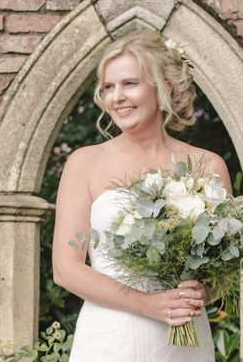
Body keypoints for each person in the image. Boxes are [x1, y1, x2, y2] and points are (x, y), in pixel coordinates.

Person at [52, 29, 232, 361]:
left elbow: (223, 270)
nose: (116, 96)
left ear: (165, 86)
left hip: (184, 341)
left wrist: (201, 292)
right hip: (111, 336)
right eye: (108, 87)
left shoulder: (208, 166)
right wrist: (146, 304)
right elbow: (66, 268)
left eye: (129, 83)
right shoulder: (84, 163)